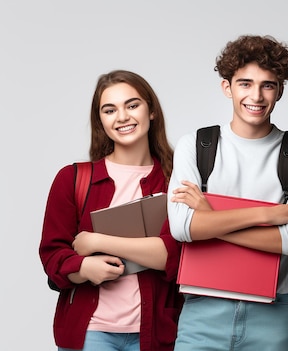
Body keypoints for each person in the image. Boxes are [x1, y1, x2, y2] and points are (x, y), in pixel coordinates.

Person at [167, 34, 288, 350]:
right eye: (245, 83)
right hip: (203, 308)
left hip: (273, 312)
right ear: (227, 87)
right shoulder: (195, 146)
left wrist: (210, 216)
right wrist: (266, 214)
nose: (257, 95)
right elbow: (183, 228)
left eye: (268, 85)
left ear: (279, 91)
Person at [39, 70, 182, 351]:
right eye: (109, 109)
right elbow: (52, 254)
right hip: (90, 332)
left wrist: (96, 242)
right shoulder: (73, 179)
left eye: (132, 105)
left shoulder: (177, 179)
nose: (122, 117)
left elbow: (175, 255)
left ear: (151, 111)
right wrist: (83, 268)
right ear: (100, 121)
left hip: (157, 334)